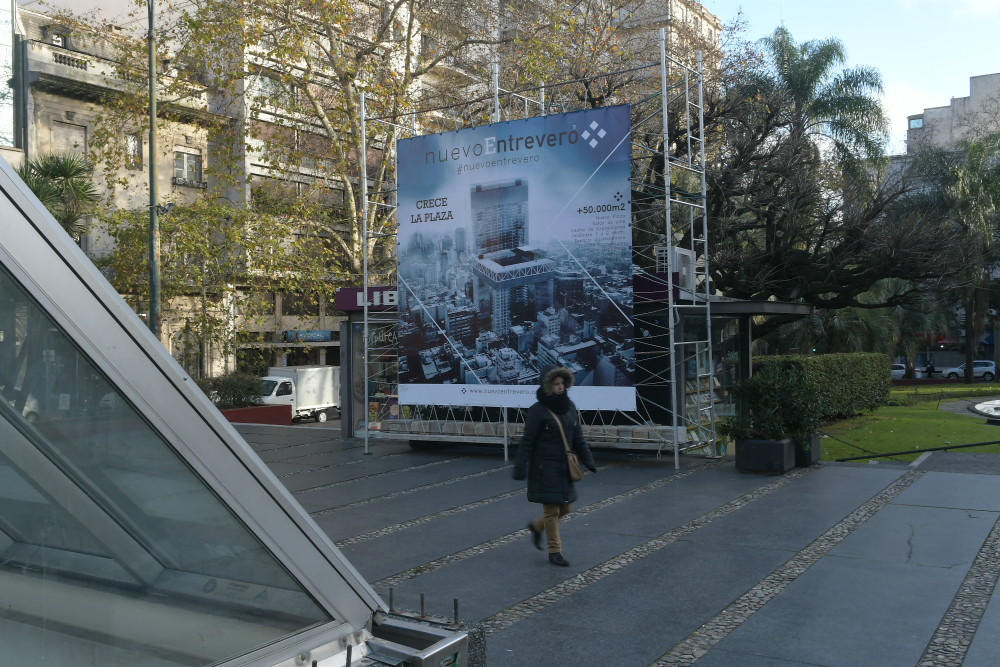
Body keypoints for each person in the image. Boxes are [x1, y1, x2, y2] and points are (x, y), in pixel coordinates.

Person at [513, 365, 597, 566]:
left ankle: (536, 526)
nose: (560, 387)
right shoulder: (537, 411)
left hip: (564, 467)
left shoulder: (570, 406)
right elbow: (528, 440)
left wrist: (588, 460)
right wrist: (520, 467)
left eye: (562, 383)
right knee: (552, 510)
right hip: (544, 468)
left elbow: (577, 437)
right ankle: (555, 551)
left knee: (566, 507)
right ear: (548, 385)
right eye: (556, 384)